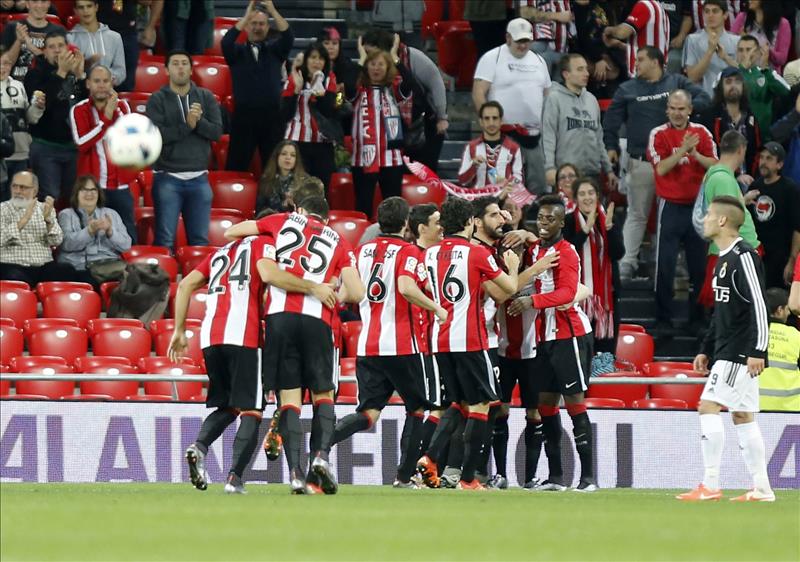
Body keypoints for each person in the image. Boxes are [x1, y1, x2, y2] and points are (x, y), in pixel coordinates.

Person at [171, 228, 333, 494]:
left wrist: (178, 330)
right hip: (243, 335)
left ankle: (199, 446)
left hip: (210, 336)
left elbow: (186, 283)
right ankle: (235, 479)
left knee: (228, 405)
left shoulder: (219, 253)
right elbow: (270, 279)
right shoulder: (266, 244)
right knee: (252, 410)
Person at [327, 197, 447, 489]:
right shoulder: (409, 252)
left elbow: (346, 290)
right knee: (418, 408)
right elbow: (407, 288)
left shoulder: (361, 251)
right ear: (407, 223)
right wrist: (436, 307)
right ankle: (403, 478)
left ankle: (319, 446)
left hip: (368, 345)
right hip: (404, 345)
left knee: (367, 414)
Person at [257, 196, 365, 494]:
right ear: (327, 218)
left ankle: (294, 474)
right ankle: (320, 457)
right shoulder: (338, 240)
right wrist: (333, 295)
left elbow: (238, 232)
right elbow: (356, 291)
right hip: (320, 324)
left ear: (300, 211)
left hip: (279, 321)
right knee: (323, 396)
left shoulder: (282, 225)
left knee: (290, 400)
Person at [416, 196, 520, 490]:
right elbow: (509, 288)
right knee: (482, 405)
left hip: (441, 339)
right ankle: (468, 478)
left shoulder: (430, 254)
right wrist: (513, 266)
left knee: (457, 403)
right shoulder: (476, 253)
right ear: (470, 222)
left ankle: (430, 458)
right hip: (472, 339)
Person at [679, 195, 774, 502]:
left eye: (708, 214)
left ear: (722, 221)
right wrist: (706, 347)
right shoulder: (722, 259)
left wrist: (758, 349)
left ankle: (710, 484)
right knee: (742, 415)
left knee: (708, 406)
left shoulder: (743, 255)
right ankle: (762, 488)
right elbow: (722, 311)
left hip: (740, 351)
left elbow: (759, 304)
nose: (704, 219)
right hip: (728, 349)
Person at [507, 194, 596, 492]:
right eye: (540, 218)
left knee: (574, 404)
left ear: (562, 222)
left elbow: (568, 293)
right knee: (545, 405)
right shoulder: (535, 252)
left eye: (550, 219)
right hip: (543, 339)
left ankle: (588, 478)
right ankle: (556, 477)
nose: (544, 224)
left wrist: (531, 300)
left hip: (569, 335)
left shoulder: (566, 252)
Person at [603, 45, 710, 280]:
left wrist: (684, 111)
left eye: (640, 59)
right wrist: (611, 146)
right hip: (641, 162)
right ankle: (627, 263)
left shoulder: (676, 82)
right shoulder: (627, 88)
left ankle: (672, 263)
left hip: (675, 163)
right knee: (637, 214)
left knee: (672, 216)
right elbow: (611, 120)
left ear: (655, 62)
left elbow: (705, 98)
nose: (636, 63)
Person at [648, 89, 717, 332]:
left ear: (690, 110)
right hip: (670, 207)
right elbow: (662, 169)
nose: (677, 113)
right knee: (664, 266)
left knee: (699, 267)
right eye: (673, 108)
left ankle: (698, 319)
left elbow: (715, 165)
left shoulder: (703, 133)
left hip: (698, 207)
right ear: (667, 109)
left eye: (682, 109)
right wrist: (682, 150)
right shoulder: (658, 134)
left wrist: (695, 153)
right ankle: (663, 320)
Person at [146, 50, 222, 249]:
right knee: (165, 241)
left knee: (200, 242)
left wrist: (198, 123)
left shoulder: (206, 97)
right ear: (167, 70)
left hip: (199, 179)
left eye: (184, 63)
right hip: (167, 178)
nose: (180, 67)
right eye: (175, 63)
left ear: (190, 69)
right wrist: (187, 126)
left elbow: (216, 132)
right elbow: (156, 136)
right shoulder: (157, 99)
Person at [473, 17, 552, 196]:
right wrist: (489, 126)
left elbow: (548, 95)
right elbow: (479, 92)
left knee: (538, 183)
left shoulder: (539, 61)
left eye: (526, 41)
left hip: (534, 135)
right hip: (504, 134)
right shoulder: (492, 58)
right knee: (505, 185)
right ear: (508, 38)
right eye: (518, 41)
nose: (523, 45)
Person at [361, 29, 449, 174]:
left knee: (426, 172)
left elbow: (436, 82)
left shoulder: (411, 56)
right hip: (395, 127)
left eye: (370, 52)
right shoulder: (371, 67)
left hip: (425, 121)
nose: (368, 57)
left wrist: (441, 117)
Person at [223, 0, 293, 173]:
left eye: (262, 24)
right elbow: (226, 42)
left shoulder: (275, 51)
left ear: (267, 28)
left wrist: (272, 10)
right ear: (246, 27)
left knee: (275, 170)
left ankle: (272, 200)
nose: (257, 27)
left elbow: (288, 36)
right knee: (236, 167)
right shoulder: (236, 53)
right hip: (244, 118)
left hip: (272, 118)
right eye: (253, 24)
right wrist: (247, 15)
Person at [69, 64, 137, 242]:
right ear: (88, 84)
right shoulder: (79, 109)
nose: (101, 85)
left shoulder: (122, 106)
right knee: (92, 237)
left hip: (120, 185)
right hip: (92, 188)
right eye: (96, 81)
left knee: (127, 235)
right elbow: (82, 143)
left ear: (112, 83)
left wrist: (114, 112)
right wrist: (106, 119)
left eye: (105, 81)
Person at [695, 131, 761, 309]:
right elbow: (727, 219)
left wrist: (742, 200)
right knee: (736, 309)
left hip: (729, 251)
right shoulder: (723, 179)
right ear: (741, 150)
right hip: (735, 252)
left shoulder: (717, 174)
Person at [350, 42, 415, 216]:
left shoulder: (393, 90)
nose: (376, 68)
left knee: (394, 207)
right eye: (372, 64)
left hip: (391, 158)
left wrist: (396, 59)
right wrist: (361, 60)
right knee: (363, 204)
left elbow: (410, 81)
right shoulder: (358, 90)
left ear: (388, 67)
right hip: (363, 158)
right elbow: (348, 84)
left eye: (381, 64)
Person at [24, 29, 87, 202]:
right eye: (52, 47)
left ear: (68, 48)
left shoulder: (76, 72)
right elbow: (42, 103)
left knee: (73, 199)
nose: (57, 50)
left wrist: (81, 76)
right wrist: (60, 73)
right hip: (46, 147)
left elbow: (87, 107)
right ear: (44, 51)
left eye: (61, 45)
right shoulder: (35, 74)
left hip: (73, 147)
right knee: (50, 198)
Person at [563, 177, 624, 353]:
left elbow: (618, 253)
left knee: (605, 353)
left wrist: (610, 228)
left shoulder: (609, 219)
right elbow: (567, 254)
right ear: (575, 199)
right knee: (581, 351)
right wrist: (584, 230)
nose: (587, 197)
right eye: (582, 194)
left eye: (591, 193)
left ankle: (603, 376)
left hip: (607, 298)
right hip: (578, 299)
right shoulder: (568, 222)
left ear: (597, 195)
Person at [542, 53, 617, 190]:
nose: (586, 73)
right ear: (566, 74)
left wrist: (608, 170)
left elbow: (598, 139)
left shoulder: (591, 100)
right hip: (567, 175)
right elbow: (548, 136)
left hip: (592, 173)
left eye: (586, 69)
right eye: (580, 69)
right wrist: (549, 168)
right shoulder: (554, 99)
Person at [0, 170, 76, 286]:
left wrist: (48, 221)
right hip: (12, 265)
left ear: (34, 191)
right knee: (14, 277)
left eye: (23, 188)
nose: (18, 191)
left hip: (43, 265)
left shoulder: (45, 209)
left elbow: (56, 241)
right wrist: (23, 220)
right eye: (15, 186)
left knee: (67, 271)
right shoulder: (3, 209)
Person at [280, 42, 338, 191]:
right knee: (297, 190)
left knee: (320, 191)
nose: (317, 62)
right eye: (313, 57)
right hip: (298, 143)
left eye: (320, 58)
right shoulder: (295, 78)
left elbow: (328, 111)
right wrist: (296, 91)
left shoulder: (329, 79)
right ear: (306, 60)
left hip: (323, 143)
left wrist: (318, 92)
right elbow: (285, 115)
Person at [56, 174, 131, 288]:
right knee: (88, 282)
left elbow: (126, 246)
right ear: (76, 193)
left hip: (111, 266)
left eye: (93, 190)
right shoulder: (66, 214)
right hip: (81, 267)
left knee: (134, 280)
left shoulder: (111, 214)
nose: (89, 194)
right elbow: (66, 244)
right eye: (84, 190)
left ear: (99, 193)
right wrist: (89, 231)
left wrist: (110, 232)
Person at [746, 142, 800, 289]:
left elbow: (797, 228)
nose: (763, 162)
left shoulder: (790, 190)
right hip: (757, 257)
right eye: (762, 157)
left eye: (769, 158)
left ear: (780, 165)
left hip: (781, 260)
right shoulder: (754, 188)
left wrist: (792, 261)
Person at [695, 66, 761, 180]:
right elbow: (708, 153)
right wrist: (734, 176)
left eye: (737, 81)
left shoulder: (750, 116)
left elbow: (757, 150)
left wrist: (751, 177)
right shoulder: (709, 117)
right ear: (721, 87)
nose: (733, 86)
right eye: (728, 82)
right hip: (719, 178)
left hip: (748, 179)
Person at [1, 47, 43, 200]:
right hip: (1, 157)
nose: (2, 67)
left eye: (5, 63)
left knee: (18, 200)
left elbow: (29, 118)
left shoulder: (18, 86)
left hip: (20, 153)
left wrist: (37, 107)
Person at [97, 0, 163, 92]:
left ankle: (124, 105)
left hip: (127, 34)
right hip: (100, 33)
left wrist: (150, 27)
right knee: (99, 81)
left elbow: (149, 1)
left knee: (126, 83)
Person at [735, 35, 790, 141]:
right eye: (741, 50)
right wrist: (743, 70)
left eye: (749, 50)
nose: (745, 54)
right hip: (736, 137)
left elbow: (788, 93)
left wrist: (766, 70)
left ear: (758, 53)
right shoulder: (729, 75)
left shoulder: (766, 73)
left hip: (763, 139)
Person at [458, 101, 523, 189]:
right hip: (478, 199)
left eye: (495, 118)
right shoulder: (471, 147)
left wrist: (507, 183)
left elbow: (519, 179)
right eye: (487, 118)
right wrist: (473, 165)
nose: (491, 123)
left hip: (504, 198)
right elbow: (462, 181)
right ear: (481, 122)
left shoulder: (514, 148)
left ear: (501, 121)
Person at [601, 0, 670, 79]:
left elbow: (622, 32)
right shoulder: (661, 9)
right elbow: (648, 47)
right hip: (657, 73)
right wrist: (619, 45)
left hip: (644, 75)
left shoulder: (644, 5)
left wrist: (608, 30)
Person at [683, 0, 739, 96]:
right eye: (707, 11)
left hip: (730, 97)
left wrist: (726, 57)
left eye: (715, 11)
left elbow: (743, 74)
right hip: (703, 98)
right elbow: (692, 77)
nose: (710, 15)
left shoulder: (736, 41)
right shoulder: (692, 40)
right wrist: (709, 51)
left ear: (725, 15)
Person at [0, 0, 65, 82]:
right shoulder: (12, 27)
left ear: (49, 4)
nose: (39, 5)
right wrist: (19, 41)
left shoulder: (59, 31)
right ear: (27, 4)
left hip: (46, 85)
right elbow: (5, 64)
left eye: (43, 1)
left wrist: (31, 46)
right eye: (34, 1)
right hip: (15, 85)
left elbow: (59, 66)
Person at [757, 288, 800, 412]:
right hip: (791, 409)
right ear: (780, 310)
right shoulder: (795, 335)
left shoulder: (751, 335)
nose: (788, 313)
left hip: (754, 407)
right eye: (787, 309)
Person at [67, 0, 126, 87]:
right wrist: (87, 64)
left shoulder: (115, 37)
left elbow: (120, 71)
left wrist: (104, 82)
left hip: (108, 90)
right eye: (81, 7)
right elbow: (69, 72)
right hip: (80, 90)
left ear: (96, 7)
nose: (85, 11)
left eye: (89, 6)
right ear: (75, 11)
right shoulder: (69, 38)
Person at [730, 0, 792, 73]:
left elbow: (782, 59)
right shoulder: (742, 18)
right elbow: (731, 45)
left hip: (770, 74)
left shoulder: (782, 24)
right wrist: (739, 40)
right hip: (744, 73)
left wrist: (766, 50)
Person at [256, 140, 308, 215]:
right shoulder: (266, 180)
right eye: (284, 154)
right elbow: (259, 210)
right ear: (277, 157)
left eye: (293, 155)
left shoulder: (304, 181)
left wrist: (294, 204)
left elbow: (309, 210)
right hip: (271, 221)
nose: (288, 157)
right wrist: (282, 206)